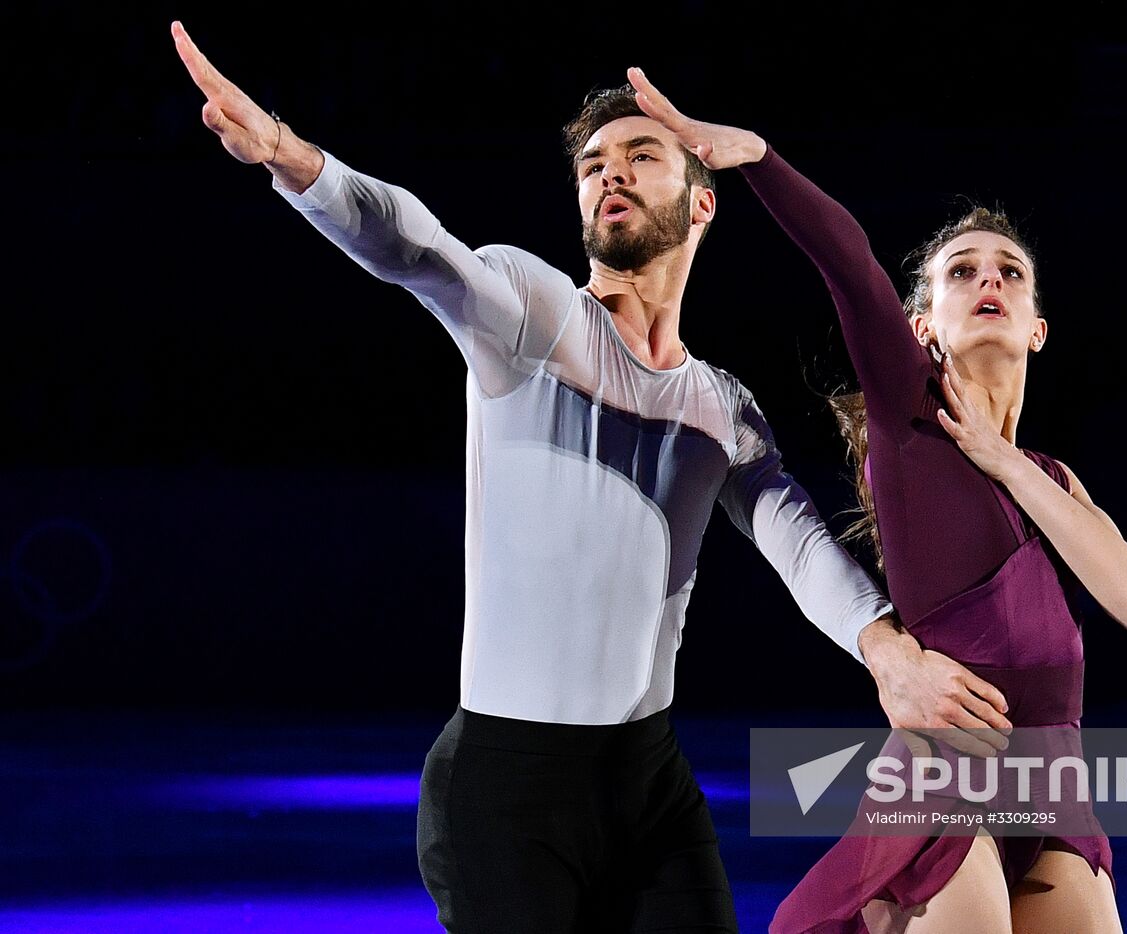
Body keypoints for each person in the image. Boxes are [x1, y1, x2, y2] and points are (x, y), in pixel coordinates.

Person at [168, 23, 1020, 934]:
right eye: (592, 164)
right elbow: (417, 249)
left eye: (641, 155)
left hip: (647, 787)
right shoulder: (532, 320)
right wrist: (295, 163)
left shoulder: (723, 410)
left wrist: (891, 656)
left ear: (701, 205)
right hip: (503, 793)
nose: (609, 173)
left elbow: (798, 540)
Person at [625, 70, 1127, 933]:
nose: (989, 278)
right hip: (943, 788)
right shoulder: (909, 425)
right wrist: (759, 156)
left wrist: (1008, 461)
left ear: (1037, 327)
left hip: (1053, 796)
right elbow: (848, 261)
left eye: (1010, 273)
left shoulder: (1053, 480)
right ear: (922, 328)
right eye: (960, 272)